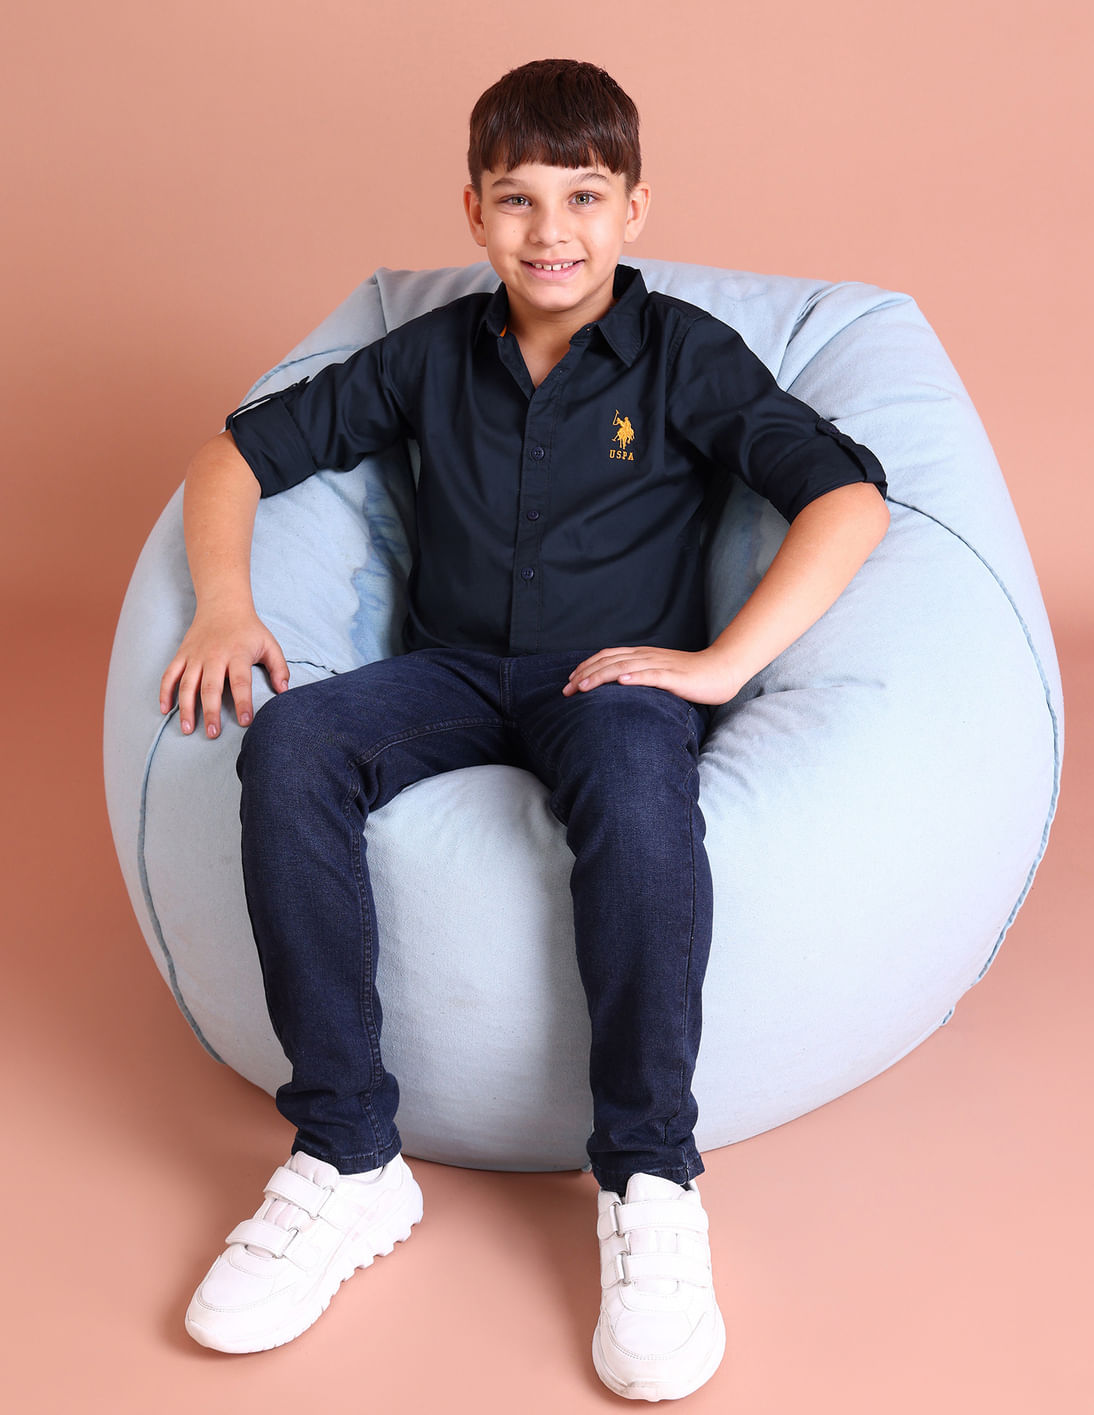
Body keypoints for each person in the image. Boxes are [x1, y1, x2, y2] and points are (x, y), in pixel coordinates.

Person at [159, 58, 889, 1401]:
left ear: (634, 210)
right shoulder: (434, 351)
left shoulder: (684, 357)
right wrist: (222, 602)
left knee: (639, 790)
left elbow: (845, 498)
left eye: (584, 197)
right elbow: (233, 456)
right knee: (293, 742)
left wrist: (721, 665)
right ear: (473, 212)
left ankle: (650, 1177)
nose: (550, 231)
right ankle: (346, 1156)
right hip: (448, 672)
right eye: (516, 200)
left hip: (608, 682)